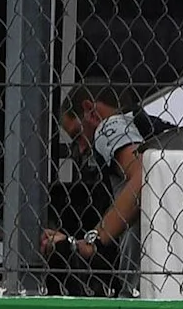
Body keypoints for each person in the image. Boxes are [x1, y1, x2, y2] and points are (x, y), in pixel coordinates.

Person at [43, 84, 160, 296]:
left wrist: (94, 241)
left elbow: (146, 174)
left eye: (78, 135)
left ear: (90, 110)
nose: (81, 149)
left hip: (145, 281)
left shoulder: (108, 127)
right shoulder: (149, 128)